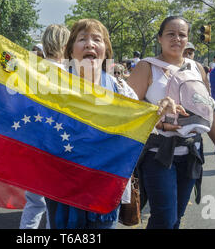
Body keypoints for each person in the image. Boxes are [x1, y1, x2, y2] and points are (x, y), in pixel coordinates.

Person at [44, 18, 184, 229]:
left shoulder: (120, 89)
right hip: (62, 185)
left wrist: (159, 110)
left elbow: (139, 123)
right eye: (82, 39)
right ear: (71, 51)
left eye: (97, 39)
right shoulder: (51, 84)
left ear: (105, 50)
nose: (90, 44)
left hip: (105, 187)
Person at [127, 16, 215, 229]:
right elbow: (128, 111)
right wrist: (159, 122)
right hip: (157, 155)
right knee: (164, 219)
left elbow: (206, 112)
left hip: (191, 154)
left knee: (176, 217)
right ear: (159, 38)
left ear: (188, 39)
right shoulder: (147, 67)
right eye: (170, 34)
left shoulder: (197, 69)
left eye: (182, 35)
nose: (177, 39)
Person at [19, 24, 70, 229]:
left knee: (34, 202)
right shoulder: (72, 76)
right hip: (60, 146)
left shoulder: (29, 70)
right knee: (54, 206)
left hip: (31, 143)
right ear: (67, 44)